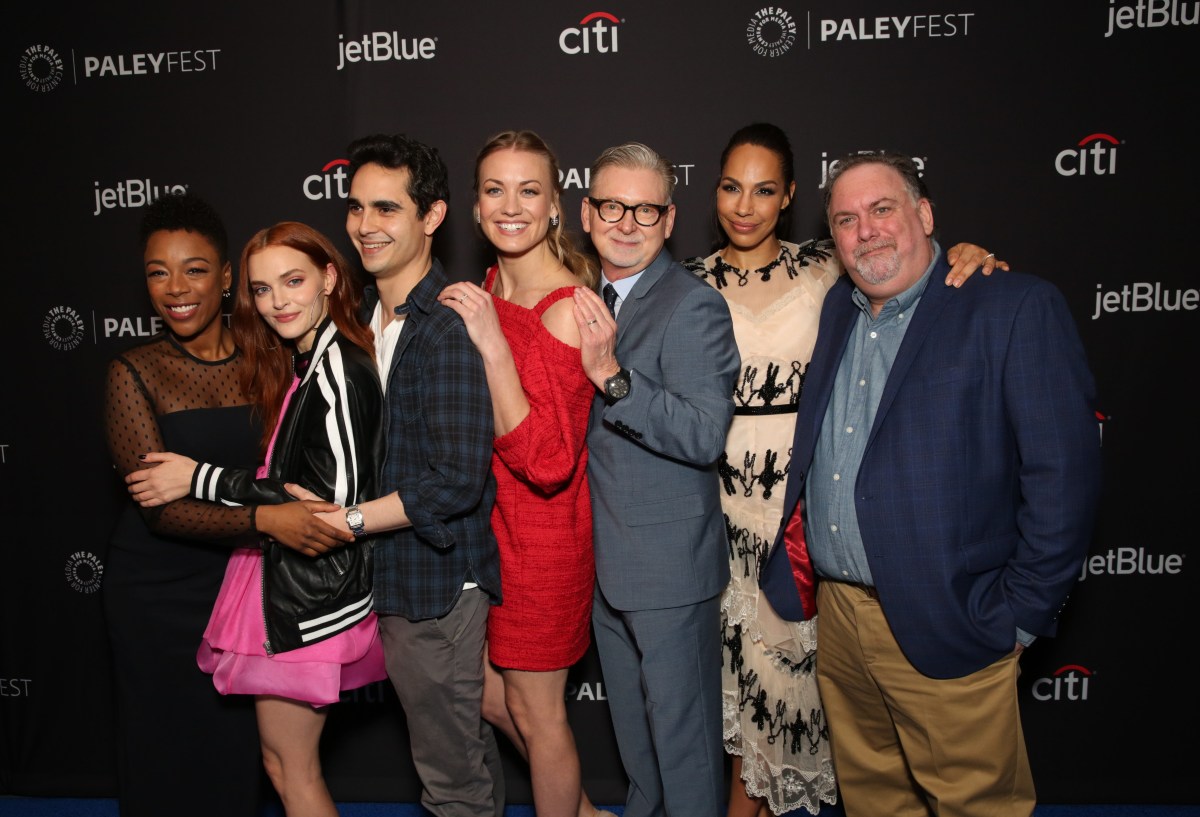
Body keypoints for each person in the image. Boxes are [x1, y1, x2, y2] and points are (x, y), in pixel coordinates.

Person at [760, 151, 1102, 817]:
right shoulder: (840, 307)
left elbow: (1064, 478)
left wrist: (1021, 615)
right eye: (847, 220)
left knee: (976, 804)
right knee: (875, 799)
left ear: (923, 213)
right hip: (843, 618)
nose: (867, 231)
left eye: (883, 209)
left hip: (951, 616)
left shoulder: (1010, 305)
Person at [683, 123, 1006, 817]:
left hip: (798, 525)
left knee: (785, 703)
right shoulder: (687, 283)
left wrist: (970, 257)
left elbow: (917, 271)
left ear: (791, 196)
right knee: (737, 710)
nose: (745, 205)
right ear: (713, 191)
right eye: (732, 187)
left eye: (765, 189)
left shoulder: (829, 267)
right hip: (715, 519)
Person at [124, 221, 388, 816]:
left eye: (293, 282)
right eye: (263, 290)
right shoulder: (306, 361)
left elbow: (334, 503)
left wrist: (200, 477)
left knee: (291, 769)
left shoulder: (339, 366)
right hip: (289, 585)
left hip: (312, 595)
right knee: (285, 766)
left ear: (328, 277)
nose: (277, 302)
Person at [303, 132, 506, 817]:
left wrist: (349, 521)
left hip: (435, 583)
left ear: (432, 216)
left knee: (451, 778)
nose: (365, 225)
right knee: (460, 753)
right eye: (357, 208)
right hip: (388, 576)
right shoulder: (358, 317)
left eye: (386, 208)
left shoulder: (445, 321)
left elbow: (455, 480)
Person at [437, 130, 612, 817]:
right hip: (486, 530)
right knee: (486, 695)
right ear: (475, 208)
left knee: (541, 717)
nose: (511, 206)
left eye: (529, 190)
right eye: (494, 189)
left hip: (543, 539)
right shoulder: (485, 285)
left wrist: (492, 347)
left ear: (553, 208)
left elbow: (547, 460)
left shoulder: (570, 305)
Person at [569, 142, 739, 817]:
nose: (627, 222)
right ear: (587, 212)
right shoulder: (579, 297)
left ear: (669, 220)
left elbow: (703, 433)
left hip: (668, 568)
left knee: (685, 748)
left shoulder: (692, 305)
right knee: (637, 749)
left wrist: (614, 378)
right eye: (612, 205)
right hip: (600, 561)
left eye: (645, 209)